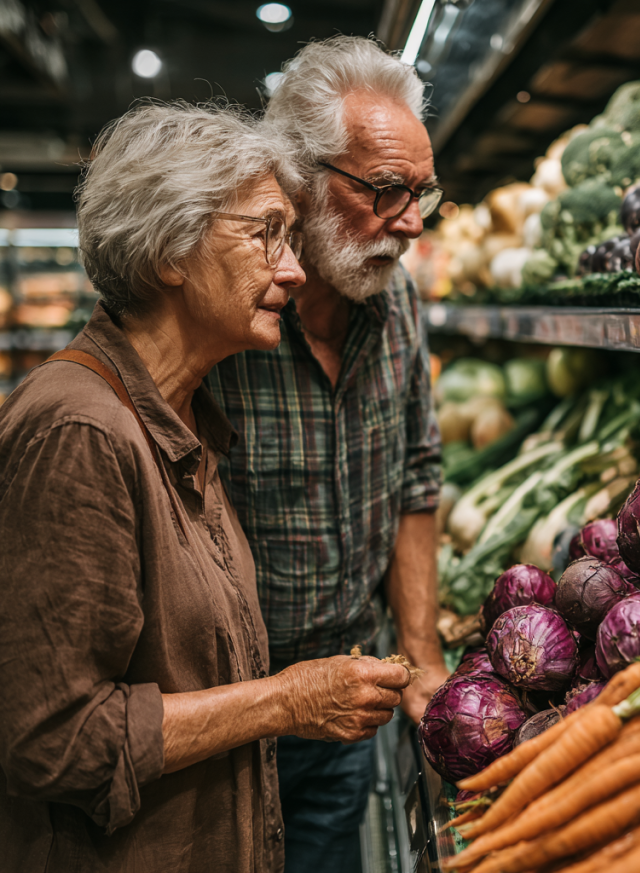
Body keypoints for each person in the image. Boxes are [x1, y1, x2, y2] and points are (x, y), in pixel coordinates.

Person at [0, 102, 410, 873]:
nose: (291, 268)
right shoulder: (80, 433)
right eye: (265, 234)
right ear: (170, 249)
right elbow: (50, 739)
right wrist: (284, 702)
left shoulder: (182, 416)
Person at [206, 36, 449, 872]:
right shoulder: (220, 311)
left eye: (421, 193)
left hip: (352, 700)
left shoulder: (397, 298)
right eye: (385, 190)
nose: (411, 222)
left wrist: (419, 651)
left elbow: (417, 474)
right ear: (300, 177)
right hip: (225, 723)